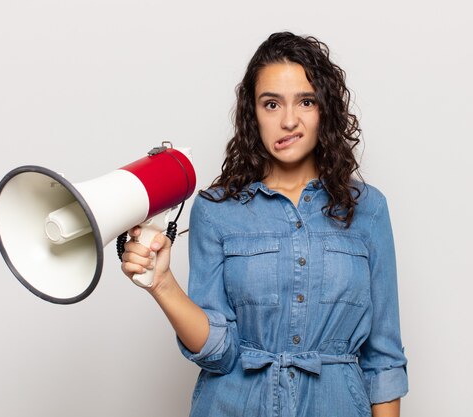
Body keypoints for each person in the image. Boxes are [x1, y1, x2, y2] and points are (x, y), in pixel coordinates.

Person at [121, 32, 408, 417]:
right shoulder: (215, 209)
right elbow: (217, 354)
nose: (288, 121)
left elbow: (384, 358)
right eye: (271, 104)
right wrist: (161, 283)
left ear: (325, 108)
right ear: (252, 115)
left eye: (305, 101)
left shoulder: (367, 208)